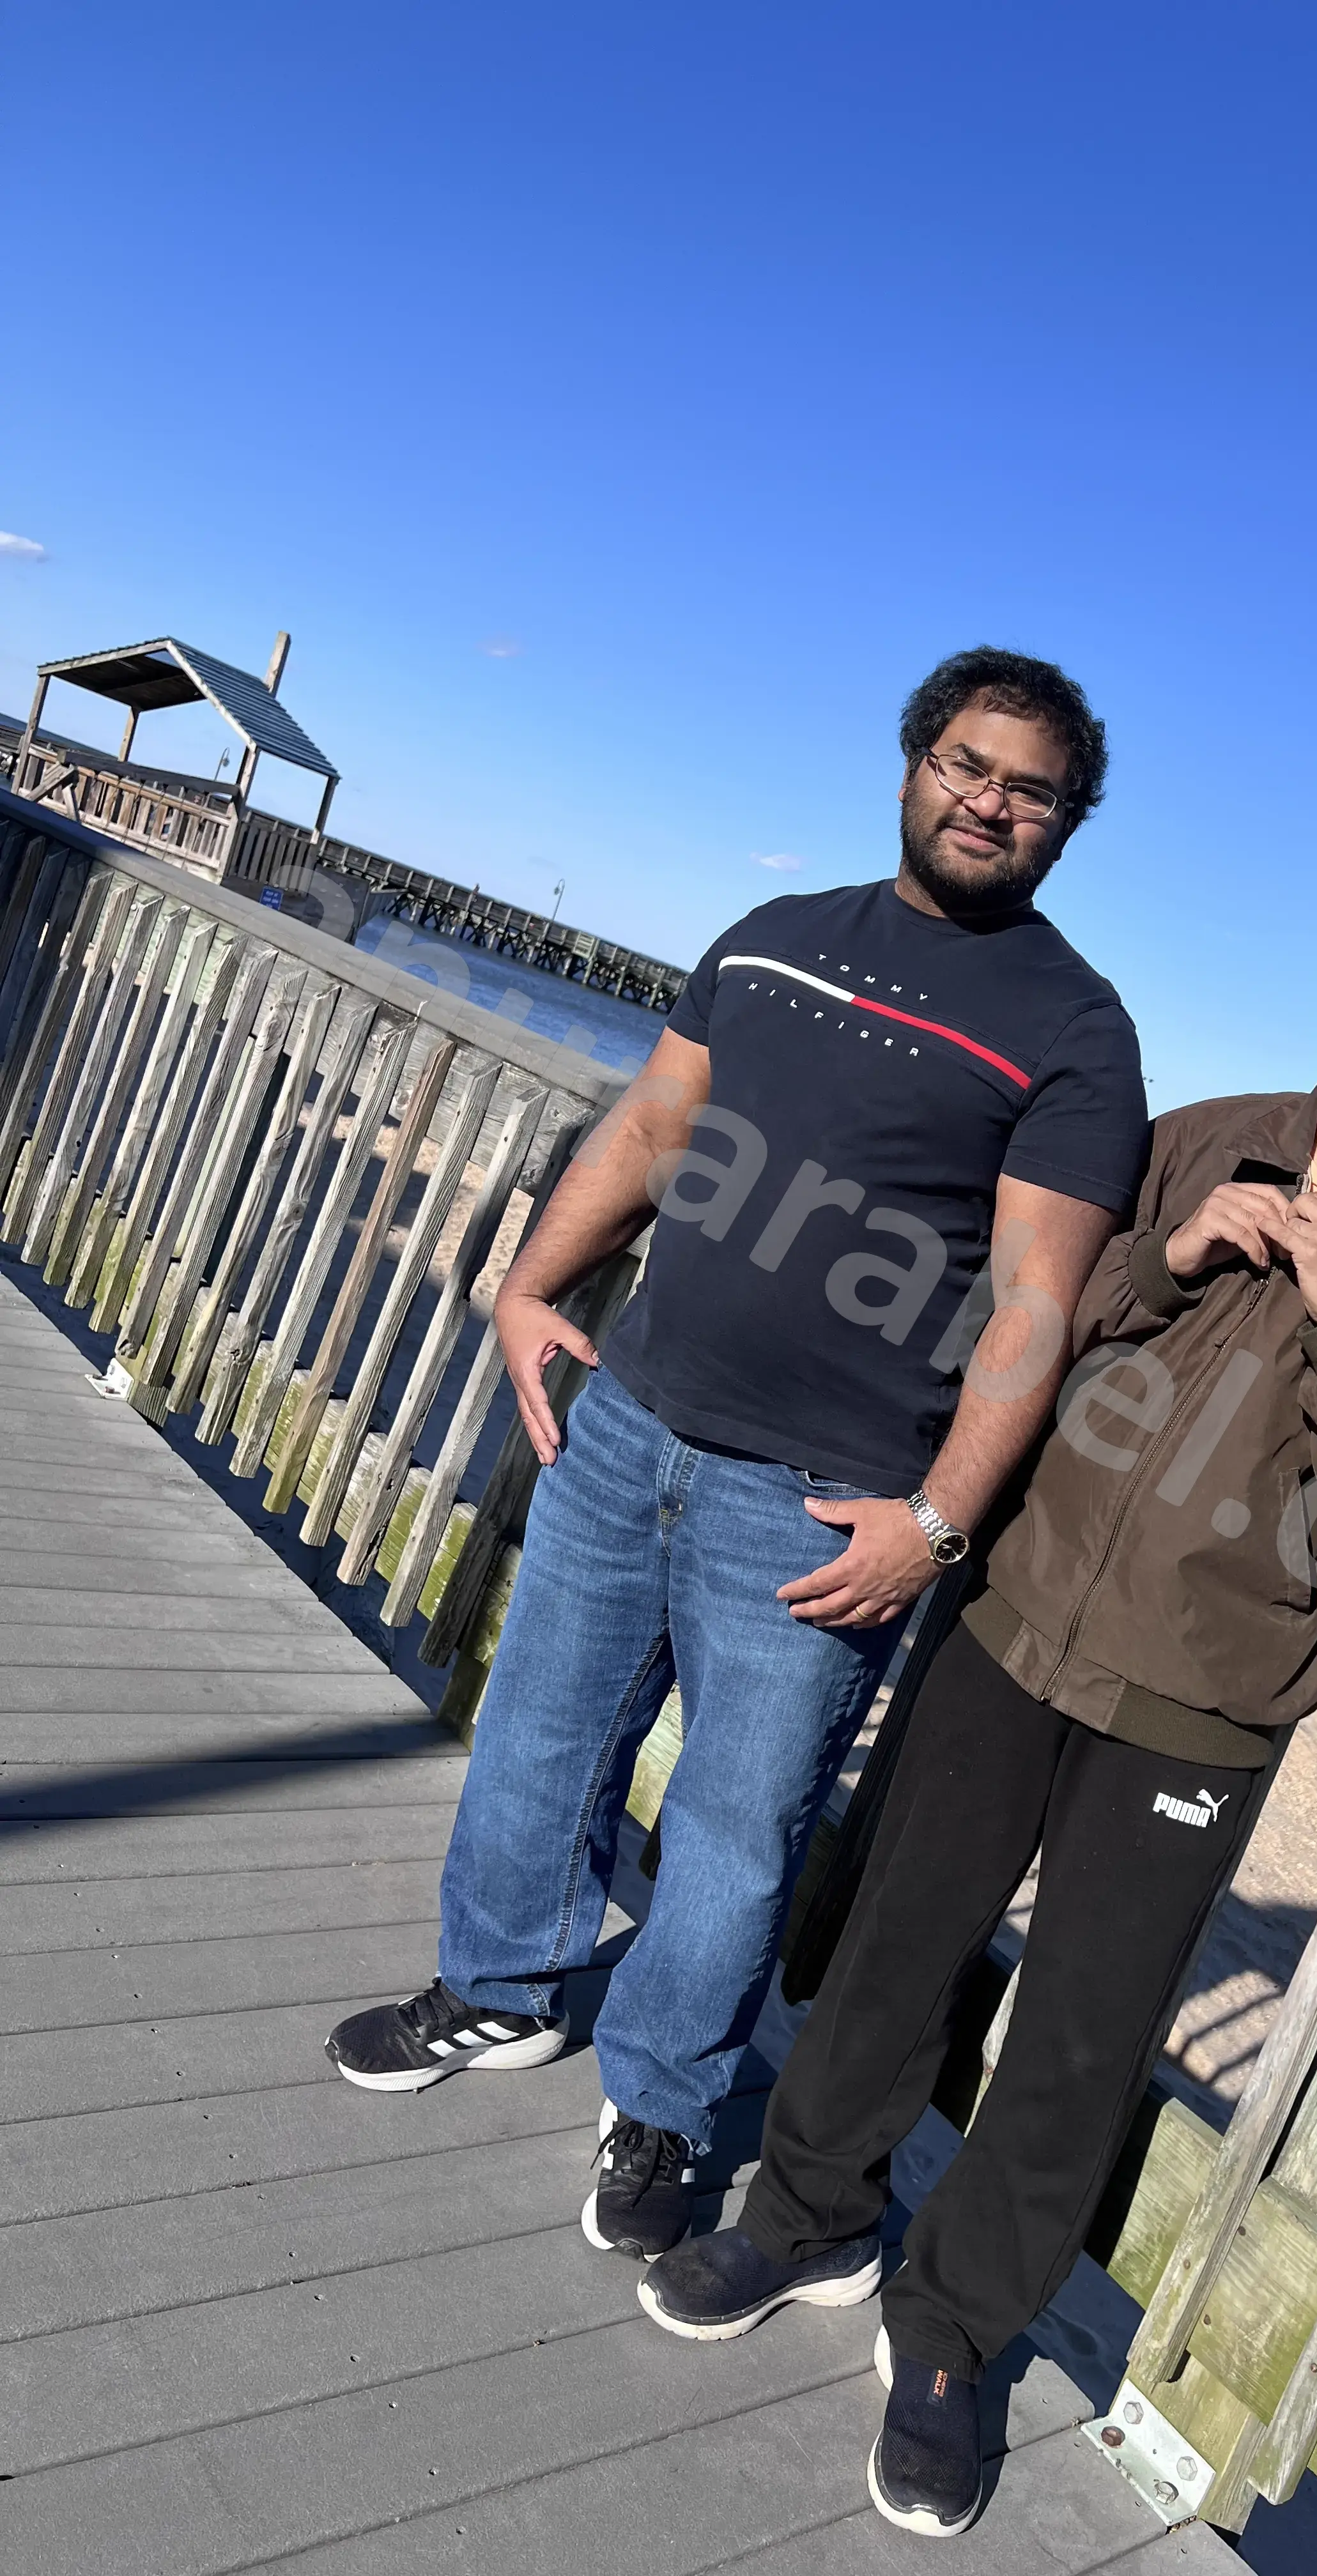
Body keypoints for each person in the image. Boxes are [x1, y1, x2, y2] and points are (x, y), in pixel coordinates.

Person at [636, 894, 1317, 2538]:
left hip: (1207, 1700)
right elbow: (1035, 1310)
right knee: (896, 1937)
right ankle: (805, 2214)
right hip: (1014, 1613)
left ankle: (949, 2338)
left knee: (1079, 2032)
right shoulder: (1195, 1140)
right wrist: (1172, 1252)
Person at [325, 648, 1148, 2271]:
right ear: (915, 763)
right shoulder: (774, 940)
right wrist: (527, 1282)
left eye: (1030, 789)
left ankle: (666, 2101)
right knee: (539, 1733)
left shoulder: (1076, 1029)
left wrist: (935, 1522)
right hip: (628, 1418)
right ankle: (497, 1990)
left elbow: (1037, 1308)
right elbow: (645, 1134)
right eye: (967, 765)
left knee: (734, 1824)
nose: (989, 800)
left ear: (1066, 824)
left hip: (818, 1496)